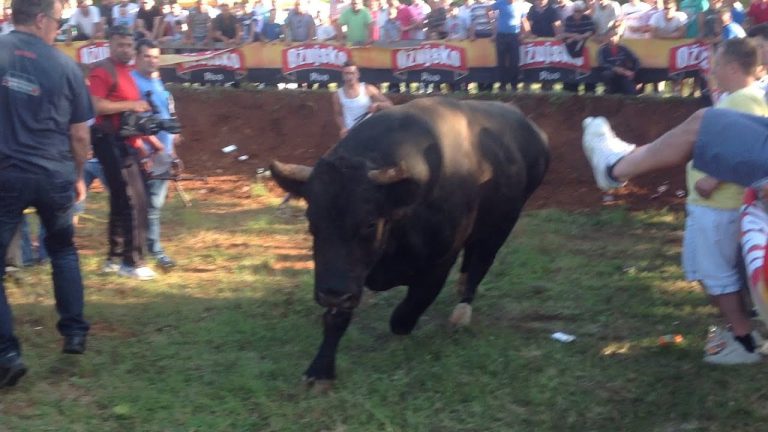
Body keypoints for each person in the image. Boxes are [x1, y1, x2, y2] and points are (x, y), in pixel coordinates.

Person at [0, 0, 94, 389]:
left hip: (6, 175)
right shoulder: (66, 66)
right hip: (54, 172)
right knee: (63, 250)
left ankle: (7, 353)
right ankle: (74, 332)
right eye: (57, 21)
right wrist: (77, 175)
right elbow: (79, 134)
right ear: (40, 20)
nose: (59, 28)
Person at [88, 25, 161, 280]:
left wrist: (142, 143)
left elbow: (128, 115)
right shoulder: (102, 70)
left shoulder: (127, 72)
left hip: (127, 142)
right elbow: (96, 105)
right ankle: (133, 261)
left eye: (129, 45)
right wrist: (132, 104)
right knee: (135, 198)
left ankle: (115, 257)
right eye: (120, 44)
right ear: (110, 44)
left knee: (121, 198)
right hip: (109, 140)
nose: (126, 49)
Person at [131, 38, 179, 270]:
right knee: (144, 205)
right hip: (143, 154)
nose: (152, 61)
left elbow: (167, 123)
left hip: (162, 155)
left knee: (153, 206)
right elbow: (132, 122)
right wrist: (146, 151)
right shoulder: (132, 83)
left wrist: (172, 153)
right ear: (137, 57)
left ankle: (147, 250)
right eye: (147, 56)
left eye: (155, 57)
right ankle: (149, 252)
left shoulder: (158, 83)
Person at [333, 61, 394, 138]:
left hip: (369, 132)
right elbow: (338, 115)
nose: (349, 76)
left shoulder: (368, 89)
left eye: (352, 73)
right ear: (343, 76)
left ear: (358, 74)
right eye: (346, 73)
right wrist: (343, 128)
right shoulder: (337, 95)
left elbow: (390, 104)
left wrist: (378, 105)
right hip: (351, 134)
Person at [492, 0, 529, 93]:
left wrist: (526, 34)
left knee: (514, 61)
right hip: (501, 36)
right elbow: (488, 9)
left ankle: (514, 85)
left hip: (514, 36)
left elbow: (524, 20)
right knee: (501, 61)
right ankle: (502, 85)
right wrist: (492, 21)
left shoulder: (521, 5)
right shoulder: (500, 2)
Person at [597, 24, 639, 95]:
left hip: (624, 75)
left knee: (632, 92)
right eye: (609, 36)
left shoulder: (624, 48)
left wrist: (632, 72)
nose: (611, 38)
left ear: (618, 36)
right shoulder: (602, 49)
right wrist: (615, 69)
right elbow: (602, 63)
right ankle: (609, 90)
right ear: (606, 37)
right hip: (611, 76)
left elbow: (636, 60)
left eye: (614, 36)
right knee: (607, 74)